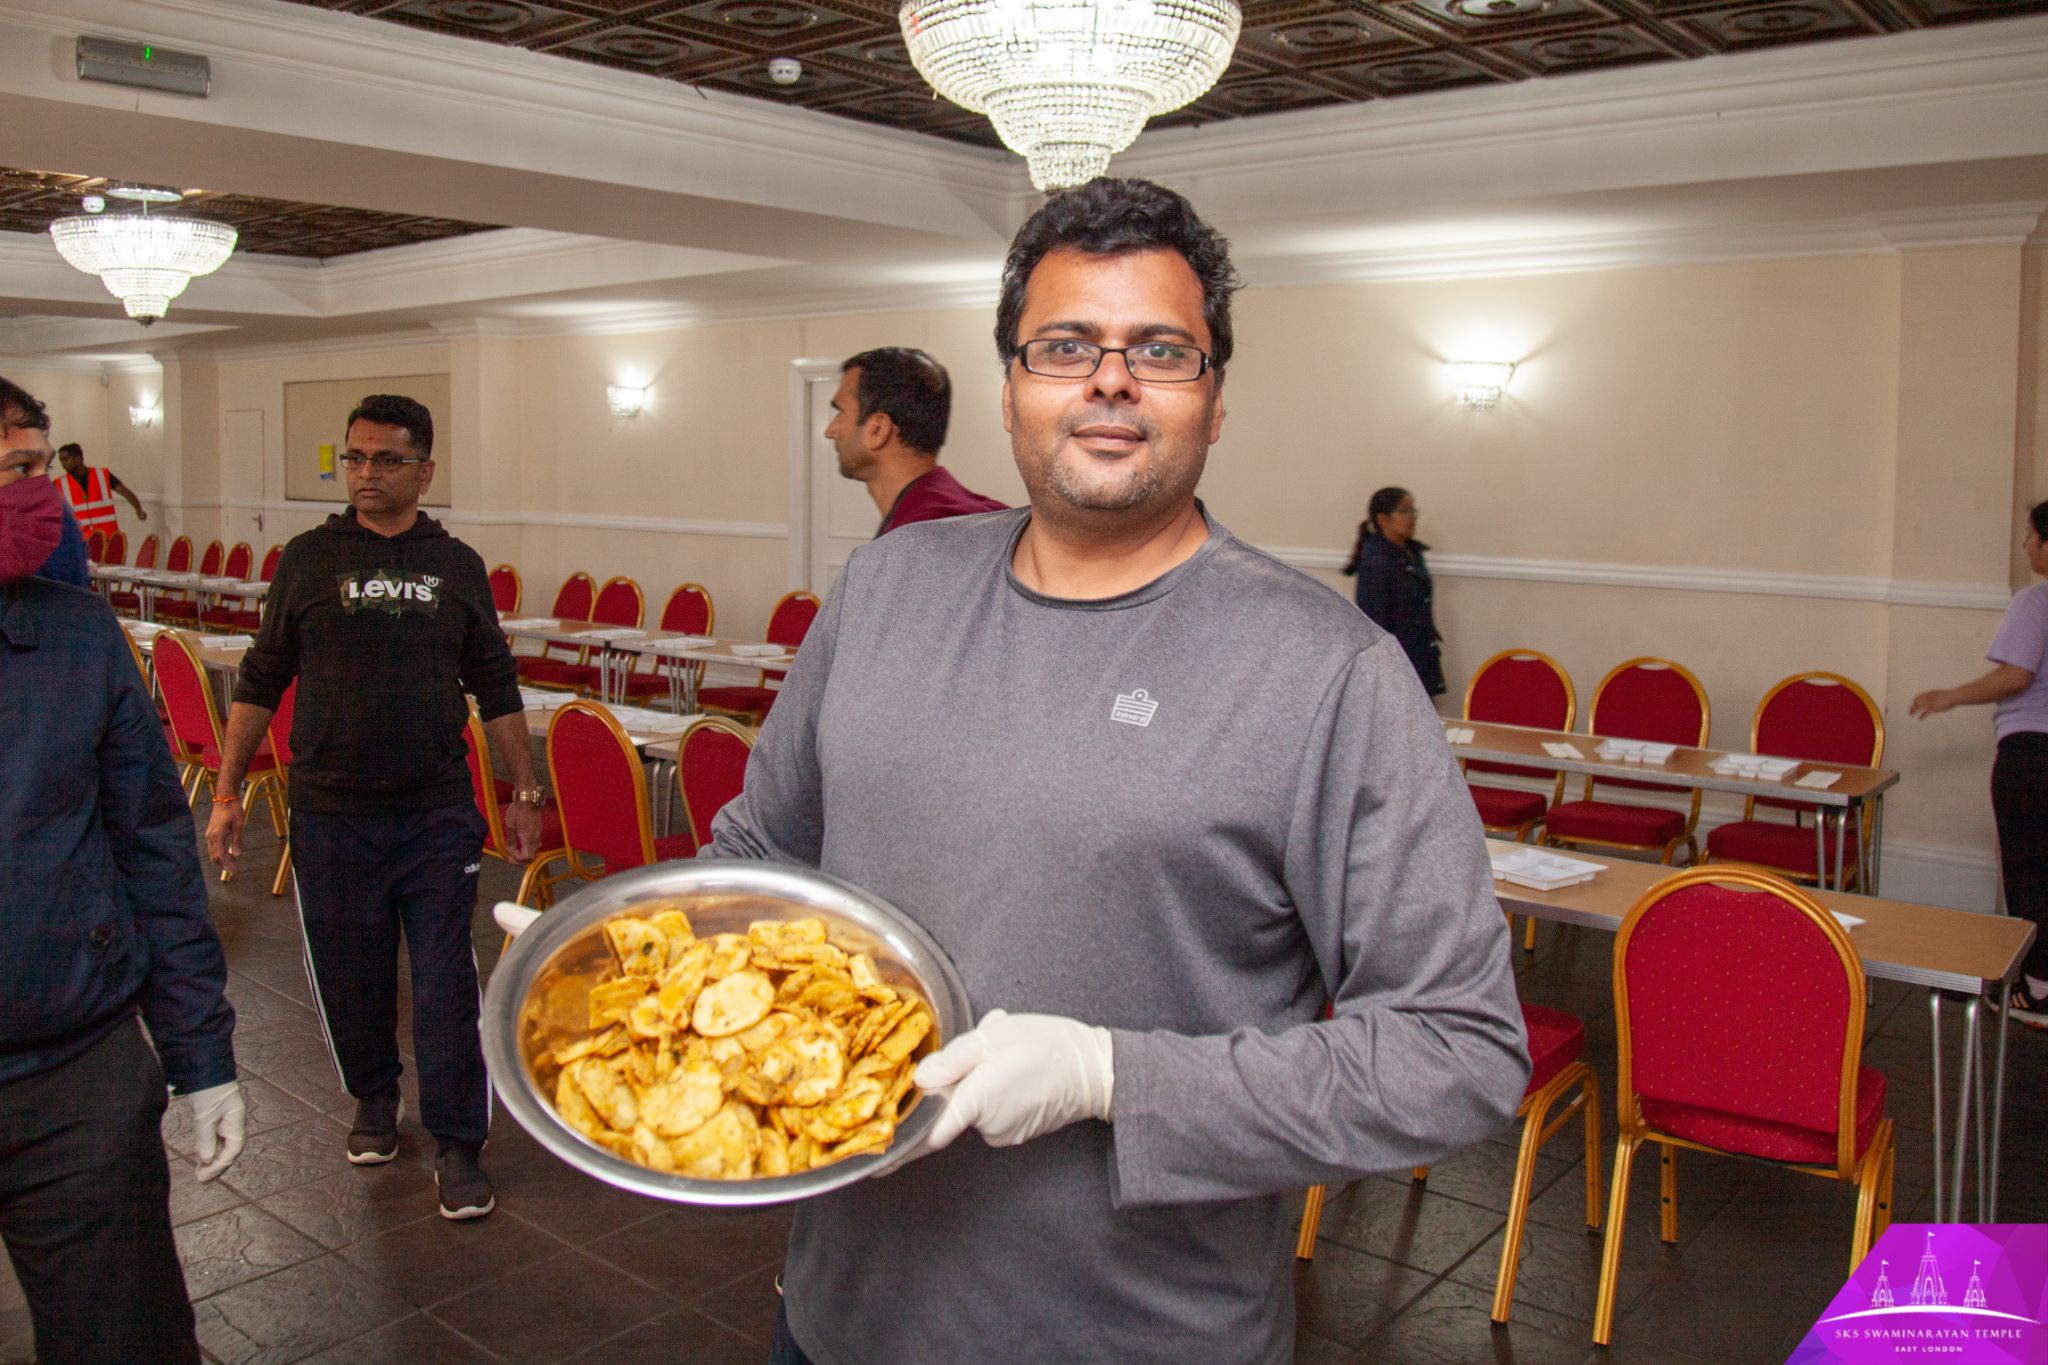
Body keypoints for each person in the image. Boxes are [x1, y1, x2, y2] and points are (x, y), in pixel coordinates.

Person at [707, 179, 1527, 1363]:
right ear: (1008, 387)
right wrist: (655, 948)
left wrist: (1109, 1075)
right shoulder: (886, 588)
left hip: (1134, 1336)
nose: (1108, 377)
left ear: (1215, 398)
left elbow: (1456, 1053)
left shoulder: (1328, 672)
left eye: (1160, 349)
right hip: (837, 1314)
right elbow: (755, 856)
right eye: (1063, 346)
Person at [205, 394, 542, 1220]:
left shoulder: (456, 564)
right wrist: (224, 791)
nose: (366, 474)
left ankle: (460, 1140)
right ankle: (372, 1097)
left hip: (435, 813)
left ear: (425, 471)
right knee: (349, 976)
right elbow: (261, 676)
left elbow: (495, 684)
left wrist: (524, 789)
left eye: (387, 460)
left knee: (443, 985)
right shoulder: (309, 559)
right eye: (354, 458)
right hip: (329, 811)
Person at [0, 375, 245, 1363]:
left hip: (76, 1075)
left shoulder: (75, 636)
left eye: (20, 469)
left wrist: (201, 1059)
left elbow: (153, 851)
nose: (19, 494)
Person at [1911, 499, 2048, 1025]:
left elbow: (2016, 676)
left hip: (2031, 755)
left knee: (2028, 867)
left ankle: (2036, 989)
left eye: (2030, 535)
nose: (2024, 545)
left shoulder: (2035, 602)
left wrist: (1950, 695)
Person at [825, 346, 1005, 535]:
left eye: (840, 412)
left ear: (878, 430)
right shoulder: (980, 512)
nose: (830, 431)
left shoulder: (925, 533)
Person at [1342, 486, 1444, 696]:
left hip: (1420, 655)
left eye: (1413, 511)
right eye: (1405, 511)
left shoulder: (1411, 553)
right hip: (1398, 664)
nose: (1412, 517)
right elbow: (1374, 623)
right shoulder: (1377, 562)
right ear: (1383, 519)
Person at [56, 441, 147, 536]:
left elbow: (125, 492)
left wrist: (139, 510)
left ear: (78, 458)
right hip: (81, 540)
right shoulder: (59, 483)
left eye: (65, 459)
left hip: (107, 536)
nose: (63, 464)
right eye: (61, 460)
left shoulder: (102, 476)